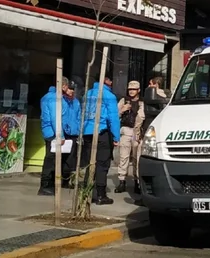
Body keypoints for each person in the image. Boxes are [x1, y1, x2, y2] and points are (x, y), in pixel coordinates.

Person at [38, 77, 80, 196]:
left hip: (50, 131)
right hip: (52, 133)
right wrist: (60, 135)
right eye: (67, 87)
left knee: (53, 159)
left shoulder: (49, 97)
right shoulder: (55, 99)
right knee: (50, 160)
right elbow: (55, 118)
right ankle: (45, 185)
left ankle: (49, 184)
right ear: (64, 86)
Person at [82, 74, 120, 205]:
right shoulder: (109, 96)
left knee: (89, 163)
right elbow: (113, 118)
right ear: (107, 80)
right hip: (102, 133)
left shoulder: (87, 94)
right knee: (102, 165)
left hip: (87, 132)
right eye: (111, 80)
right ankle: (100, 195)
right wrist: (116, 137)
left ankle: (86, 193)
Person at [115, 81, 145, 194]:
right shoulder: (124, 100)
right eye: (130, 89)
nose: (131, 91)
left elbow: (143, 117)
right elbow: (115, 114)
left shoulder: (142, 102)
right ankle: (122, 181)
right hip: (126, 130)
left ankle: (137, 182)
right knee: (124, 157)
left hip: (137, 133)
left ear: (138, 90)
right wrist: (122, 110)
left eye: (134, 89)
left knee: (137, 158)